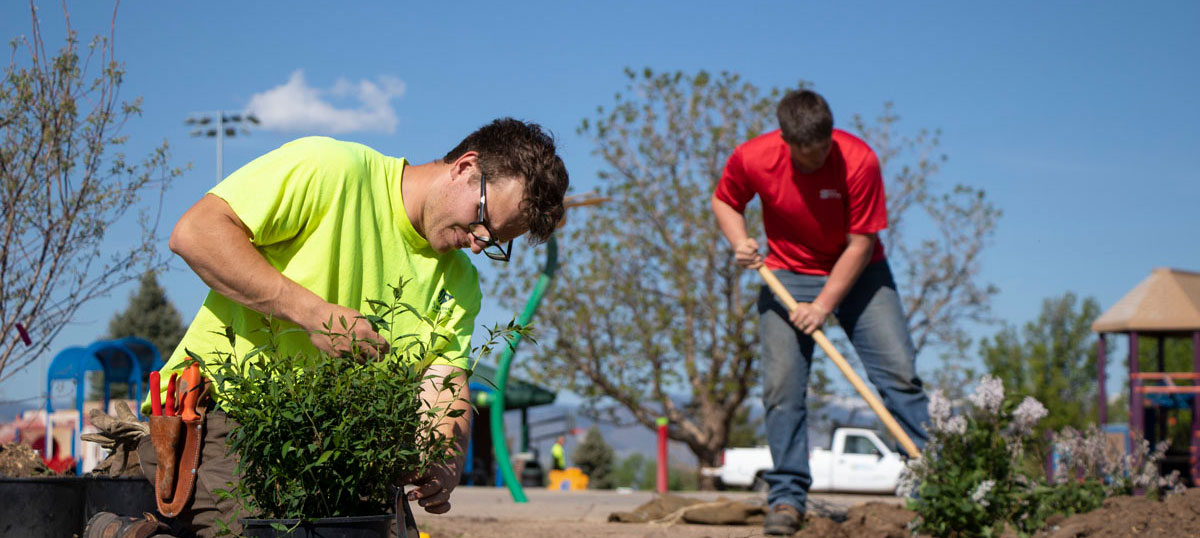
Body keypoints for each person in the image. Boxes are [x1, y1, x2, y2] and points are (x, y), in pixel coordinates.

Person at [135, 118, 569, 538]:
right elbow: (195, 233)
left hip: (340, 443)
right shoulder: (331, 170)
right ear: (465, 167)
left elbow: (443, 377)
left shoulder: (459, 284)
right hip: (219, 416)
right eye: (483, 220)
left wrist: (444, 454)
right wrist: (312, 313)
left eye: (494, 241)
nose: (478, 241)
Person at [710, 89, 930, 535]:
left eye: (821, 152)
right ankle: (787, 496)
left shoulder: (859, 160)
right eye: (804, 155)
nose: (814, 162)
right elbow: (725, 200)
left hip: (862, 275)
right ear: (785, 140)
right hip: (786, 275)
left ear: (832, 135)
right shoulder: (753, 157)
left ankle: (935, 484)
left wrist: (823, 306)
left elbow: (862, 242)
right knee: (781, 387)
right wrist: (740, 242)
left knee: (900, 374)